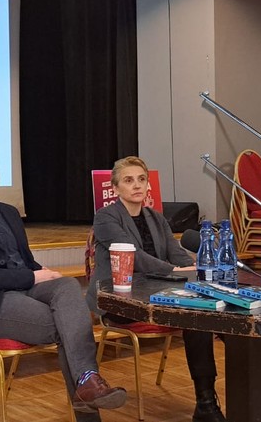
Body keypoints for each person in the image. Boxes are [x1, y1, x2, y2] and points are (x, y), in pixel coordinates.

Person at [0, 143, 126, 421]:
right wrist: (33, 276)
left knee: (67, 286)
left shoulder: (10, 213)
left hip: (25, 289)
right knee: (66, 325)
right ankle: (89, 391)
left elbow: (24, 260)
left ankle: (87, 381)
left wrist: (40, 271)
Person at [85, 156, 227, 422]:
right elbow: (134, 256)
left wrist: (195, 268)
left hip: (159, 294)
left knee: (201, 314)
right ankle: (206, 403)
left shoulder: (156, 218)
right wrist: (174, 271)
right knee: (194, 314)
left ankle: (206, 402)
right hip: (121, 300)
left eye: (141, 179)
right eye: (128, 180)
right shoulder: (105, 217)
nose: (137, 185)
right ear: (115, 188)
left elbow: (177, 254)